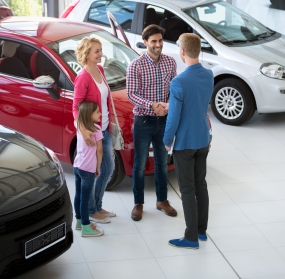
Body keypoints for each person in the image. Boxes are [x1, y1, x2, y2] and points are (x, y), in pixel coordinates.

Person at [163, 33, 214, 249]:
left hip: (185, 143)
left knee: (187, 189)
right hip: (203, 138)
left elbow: (174, 117)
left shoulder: (179, 82)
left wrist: (167, 140)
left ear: (182, 52)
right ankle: (201, 231)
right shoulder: (209, 74)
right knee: (201, 185)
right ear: (198, 50)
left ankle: (191, 237)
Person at [126, 24, 177, 221]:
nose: (158, 45)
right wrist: (151, 104)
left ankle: (162, 200)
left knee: (162, 163)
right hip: (143, 120)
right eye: (154, 41)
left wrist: (169, 104)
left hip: (164, 120)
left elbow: (174, 88)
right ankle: (138, 203)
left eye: (160, 41)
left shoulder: (170, 62)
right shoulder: (136, 65)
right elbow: (131, 94)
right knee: (139, 164)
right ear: (145, 42)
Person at [73, 37, 115, 224]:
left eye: (101, 50)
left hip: (104, 128)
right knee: (92, 172)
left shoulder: (100, 70)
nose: (101, 54)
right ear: (87, 54)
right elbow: (76, 107)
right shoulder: (82, 77)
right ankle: (91, 210)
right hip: (92, 132)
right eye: (97, 51)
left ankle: (97, 205)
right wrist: (83, 130)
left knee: (107, 168)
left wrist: (110, 121)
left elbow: (106, 100)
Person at [73, 101, 104, 237]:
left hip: (77, 166)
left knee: (78, 195)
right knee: (85, 198)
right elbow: (100, 150)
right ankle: (86, 226)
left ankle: (79, 221)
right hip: (88, 169)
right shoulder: (96, 130)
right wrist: (98, 167)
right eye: (97, 112)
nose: (100, 114)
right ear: (89, 114)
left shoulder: (80, 127)